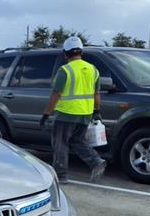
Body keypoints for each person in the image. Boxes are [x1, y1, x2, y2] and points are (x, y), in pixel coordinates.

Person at [40, 36, 107, 184]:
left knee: (60, 143)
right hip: (85, 114)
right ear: (81, 52)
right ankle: (95, 161)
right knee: (77, 141)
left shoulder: (65, 70)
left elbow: (56, 94)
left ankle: (61, 175)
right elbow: (96, 93)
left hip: (66, 114)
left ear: (66, 53)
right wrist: (97, 111)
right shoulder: (93, 70)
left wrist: (46, 114)